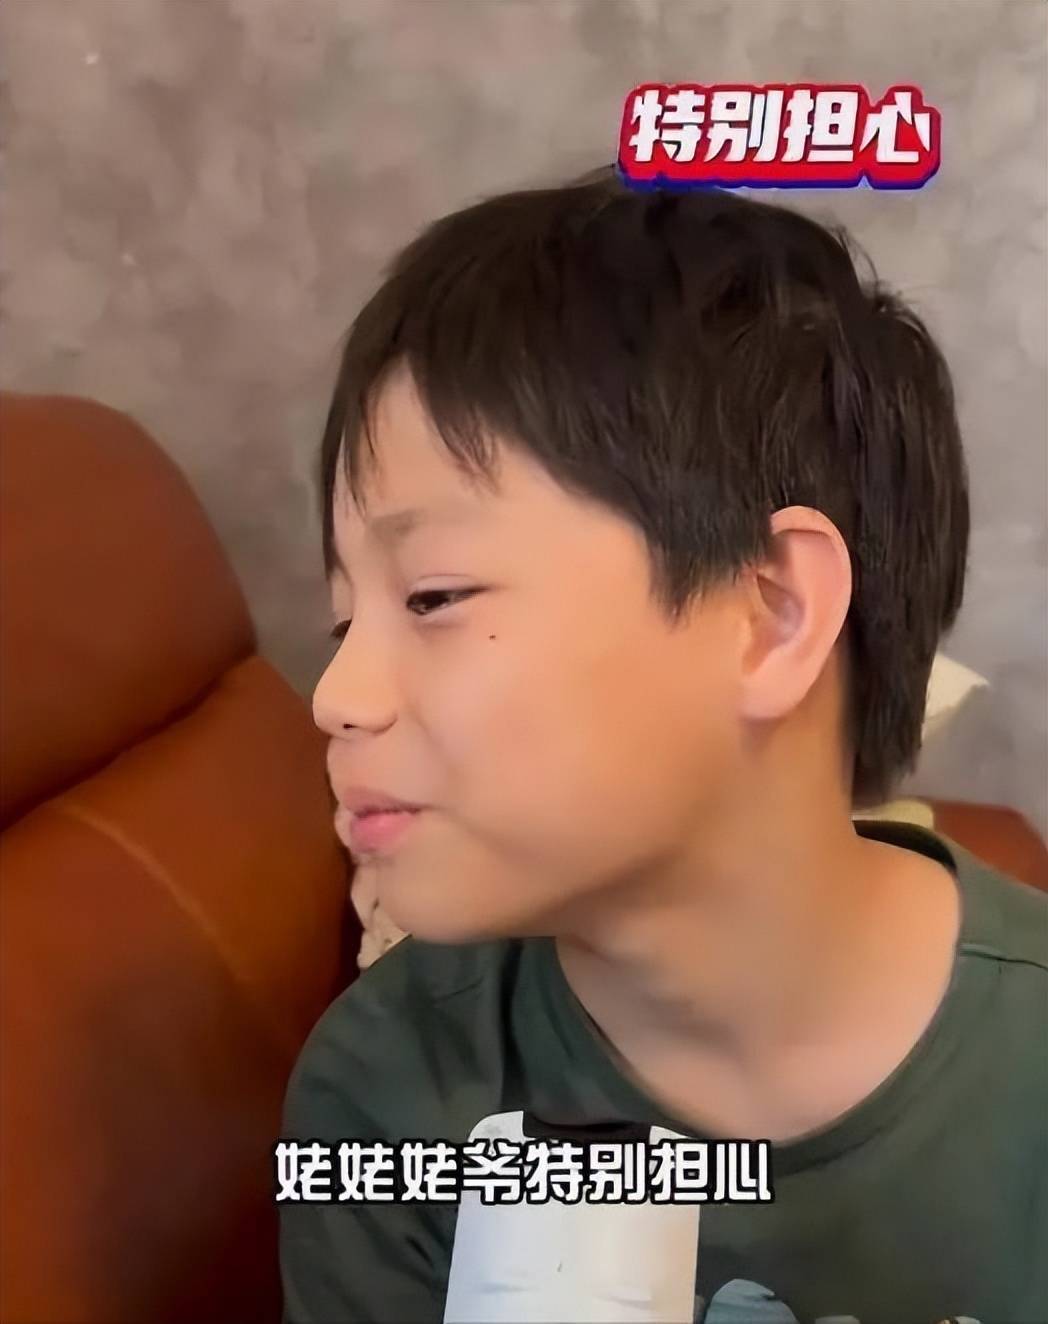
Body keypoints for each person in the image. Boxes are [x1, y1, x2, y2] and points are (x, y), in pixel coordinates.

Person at [279, 165, 1047, 1323]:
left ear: (767, 614)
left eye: (432, 595)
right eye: (346, 623)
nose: (338, 695)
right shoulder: (386, 1098)